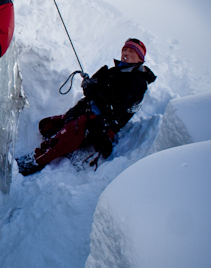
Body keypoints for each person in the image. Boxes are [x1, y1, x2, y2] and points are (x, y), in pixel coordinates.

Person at [16, 38, 156, 175]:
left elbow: (115, 109)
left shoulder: (138, 81)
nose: (126, 52)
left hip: (100, 124)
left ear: (140, 58)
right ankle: (69, 141)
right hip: (86, 113)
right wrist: (91, 84)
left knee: (71, 131)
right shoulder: (115, 72)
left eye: (131, 50)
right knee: (45, 126)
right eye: (124, 49)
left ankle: (38, 159)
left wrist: (94, 90)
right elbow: (96, 92)